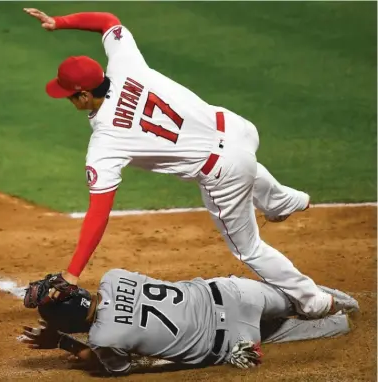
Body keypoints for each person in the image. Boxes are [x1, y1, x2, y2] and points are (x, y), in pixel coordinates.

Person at [22, 8, 352, 318]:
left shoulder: (105, 142)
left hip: (223, 170)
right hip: (236, 127)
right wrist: (60, 22)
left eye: (67, 94)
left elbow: (99, 212)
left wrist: (72, 273)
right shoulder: (125, 65)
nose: (66, 99)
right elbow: (108, 20)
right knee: (241, 161)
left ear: (83, 95)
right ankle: (283, 201)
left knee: (247, 249)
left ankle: (313, 301)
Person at [21, 268, 356, 376]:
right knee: (294, 297)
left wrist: (61, 341)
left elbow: (105, 367)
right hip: (235, 292)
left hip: (236, 340)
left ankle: (338, 325)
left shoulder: (105, 337)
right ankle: (339, 301)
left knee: (278, 333)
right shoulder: (113, 277)